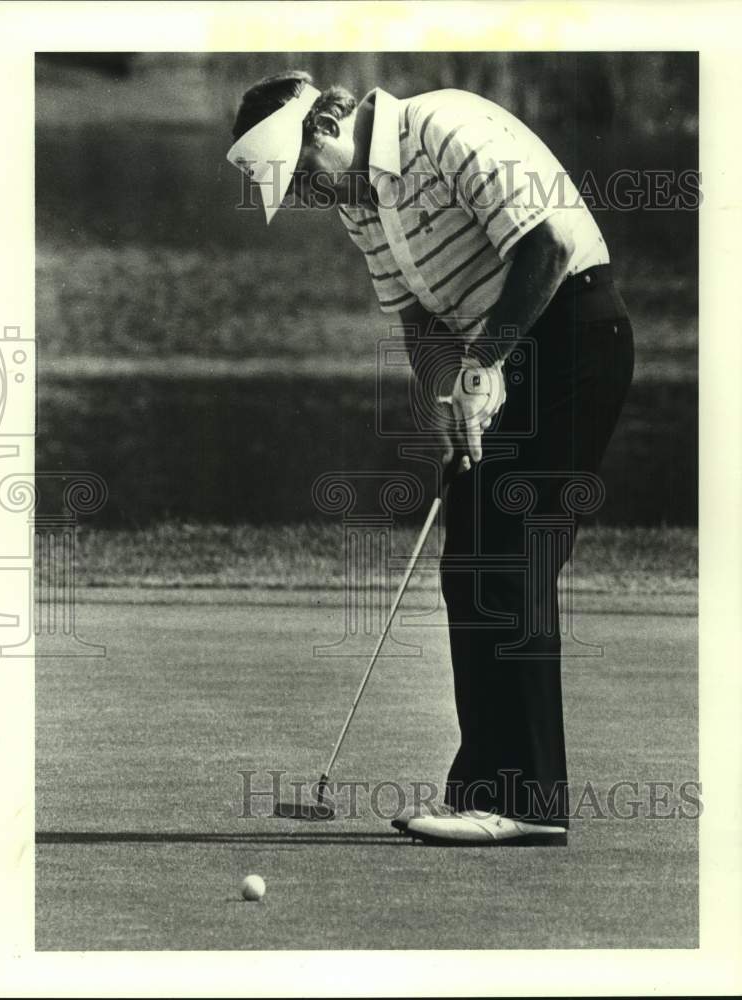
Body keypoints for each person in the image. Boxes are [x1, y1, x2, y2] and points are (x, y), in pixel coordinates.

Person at [227, 70, 634, 846]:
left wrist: (483, 364)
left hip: (575, 336)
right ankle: (488, 789)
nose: (308, 199)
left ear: (322, 131)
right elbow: (417, 320)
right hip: (507, 355)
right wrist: (448, 394)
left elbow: (547, 248)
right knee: (474, 562)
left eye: (301, 181)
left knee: (509, 554)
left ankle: (526, 799)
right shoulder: (361, 201)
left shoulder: (441, 127)